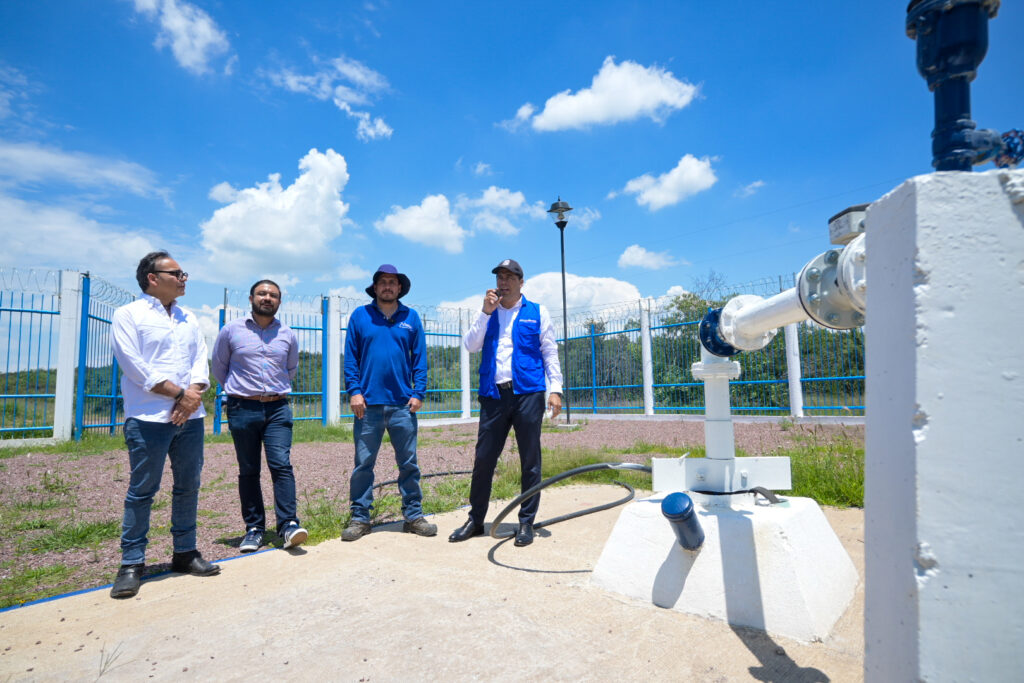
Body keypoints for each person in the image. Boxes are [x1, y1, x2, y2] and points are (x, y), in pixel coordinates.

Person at [109, 251, 220, 599]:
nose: (184, 278)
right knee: (143, 490)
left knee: (188, 486)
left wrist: (193, 394)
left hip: (191, 418)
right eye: (177, 273)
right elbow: (134, 365)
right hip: (148, 417)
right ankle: (132, 563)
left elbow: (200, 359)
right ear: (152, 278)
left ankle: (185, 552)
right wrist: (180, 395)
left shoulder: (188, 317)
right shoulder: (129, 315)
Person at [449, 259, 563, 547]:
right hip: (493, 395)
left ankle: (526, 522)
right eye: (500, 277)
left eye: (510, 277)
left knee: (530, 460)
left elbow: (549, 351)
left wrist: (556, 389)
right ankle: (476, 520)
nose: (504, 282)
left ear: (521, 282)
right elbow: (470, 345)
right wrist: (485, 313)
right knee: (484, 459)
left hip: (528, 394)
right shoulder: (488, 313)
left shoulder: (537, 312)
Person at [341, 264, 436, 541]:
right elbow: (351, 358)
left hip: (402, 405)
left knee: (409, 464)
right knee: (363, 464)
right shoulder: (361, 316)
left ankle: (413, 516)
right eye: (383, 282)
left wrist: (419, 393)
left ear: (399, 288)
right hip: (367, 405)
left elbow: (420, 358)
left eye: (392, 282)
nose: (387, 286)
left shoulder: (411, 317)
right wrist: (354, 391)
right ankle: (360, 518)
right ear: (375, 287)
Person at [211, 279, 307, 554]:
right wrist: (242, 391)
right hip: (243, 408)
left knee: (281, 465)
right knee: (249, 469)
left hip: (277, 408)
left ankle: (288, 525)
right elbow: (219, 367)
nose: (267, 298)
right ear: (251, 298)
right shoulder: (231, 331)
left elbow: (290, 369)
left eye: (273, 295)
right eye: (262, 293)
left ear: (279, 302)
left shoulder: (287, 334)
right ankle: (254, 528)